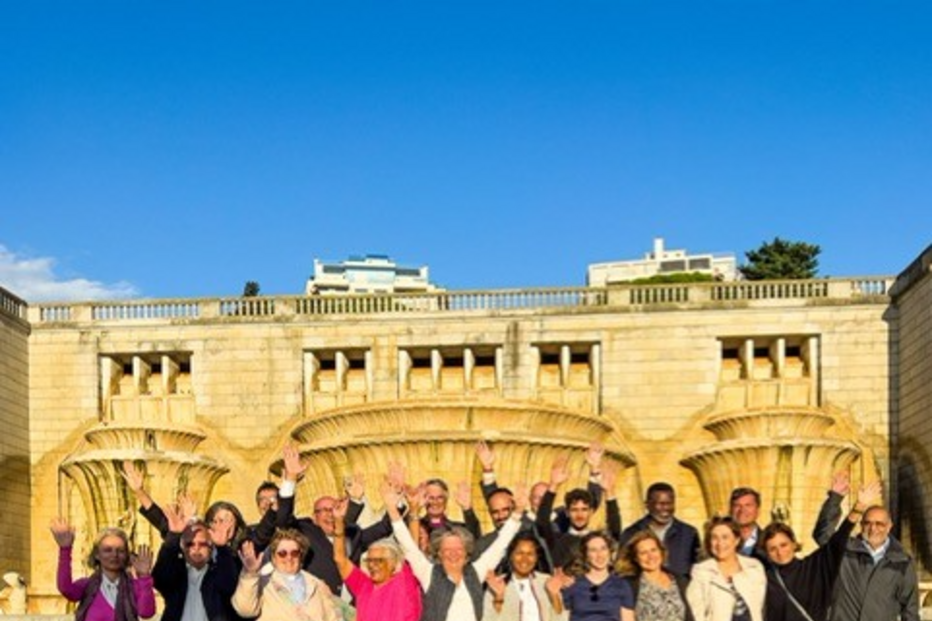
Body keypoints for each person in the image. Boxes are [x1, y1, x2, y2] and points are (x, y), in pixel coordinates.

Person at [390, 469, 528, 621]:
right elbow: (409, 547)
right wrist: (392, 509)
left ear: (466, 553)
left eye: (458, 549)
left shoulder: (476, 572)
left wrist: (518, 512)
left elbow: (500, 544)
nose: (453, 554)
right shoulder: (429, 573)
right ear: (439, 554)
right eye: (447, 550)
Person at [275, 445, 394, 594]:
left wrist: (396, 499)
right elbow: (283, 519)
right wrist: (291, 480)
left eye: (334, 508)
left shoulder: (353, 533)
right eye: (324, 510)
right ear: (314, 517)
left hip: (353, 604)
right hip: (319, 602)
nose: (331, 514)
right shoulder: (305, 532)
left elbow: (385, 527)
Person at [762, 476, 880, 621]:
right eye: (772, 549)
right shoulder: (764, 578)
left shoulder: (814, 567)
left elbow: (837, 540)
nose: (780, 552)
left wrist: (857, 508)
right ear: (766, 552)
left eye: (783, 545)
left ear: (793, 544)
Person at [477, 441, 604, 532]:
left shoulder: (562, 517)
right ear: (530, 499)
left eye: (544, 497)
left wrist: (595, 468)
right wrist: (487, 468)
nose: (541, 501)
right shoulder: (519, 518)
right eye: (536, 497)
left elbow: (591, 502)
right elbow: (495, 500)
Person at [332, 494, 422, 621]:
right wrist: (338, 522)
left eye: (379, 561)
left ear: (394, 564)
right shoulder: (364, 586)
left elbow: (412, 549)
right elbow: (340, 559)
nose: (372, 565)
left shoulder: (404, 581)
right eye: (369, 560)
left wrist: (413, 510)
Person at [828, 502, 920, 621]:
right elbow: (823, 533)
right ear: (861, 525)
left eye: (879, 524)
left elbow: (910, 610)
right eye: (867, 523)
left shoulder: (903, 562)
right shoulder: (845, 551)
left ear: (889, 526)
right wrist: (836, 497)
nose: (873, 528)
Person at [51, 518, 156, 621]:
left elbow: (146, 613)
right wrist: (65, 550)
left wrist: (144, 577)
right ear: (97, 554)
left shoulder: (135, 586)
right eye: (108, 550)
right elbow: (66, 589)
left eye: (120, 550)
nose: (114, 555)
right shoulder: (87, 586)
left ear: (126, 555)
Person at [152, 504, 242, 621]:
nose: (196, 548)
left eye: (202, 544)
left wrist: (222, 548)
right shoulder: (177, 573)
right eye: (190, 544)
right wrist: (173, 536)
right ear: (183, 547)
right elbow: (160, 579)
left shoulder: (218, 570)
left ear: (211, 546)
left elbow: (228, 586)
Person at [232, 529, 341, 621]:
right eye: (282, 553)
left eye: (294, 553)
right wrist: (250, 574)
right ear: (274, 557)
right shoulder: (262, 583)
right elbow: (245, 610)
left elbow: (334, 617)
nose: (289, 557)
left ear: (301, 556)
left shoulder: (317, 585)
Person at [536, 456, 622, 570]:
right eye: (574, 510)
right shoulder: (557, 540)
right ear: (567, 512)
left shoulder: (599, 540)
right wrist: (553, 485)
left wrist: (609, 492)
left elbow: (615, 530)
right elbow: (542, 522)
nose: (579, 515)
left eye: (584, 509)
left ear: (591, 512)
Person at [687, 516, 765, 621]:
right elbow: (696, 614)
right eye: (714, 538)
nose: (720, 543)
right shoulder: (701, 572)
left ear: (736, 540)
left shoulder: (754, 567)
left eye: (725, 537)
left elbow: (761, 607)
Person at [619, 482, 700, 578]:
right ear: (647, 505)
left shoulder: (689, 533)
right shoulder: (631, 533)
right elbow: (622, 569)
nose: (665, 508)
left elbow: (698, 567)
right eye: (660, 504)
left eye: (669, 503)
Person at [484, 532, 566, 621]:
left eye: (530, 554)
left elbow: (561, 619)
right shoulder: (498, 583)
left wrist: (554, 596)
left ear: (536, 557)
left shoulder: (546, 581)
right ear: (511, 555)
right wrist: (499, 597)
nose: (524, 559)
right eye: (519, 553)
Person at [554, 532, 635, 621]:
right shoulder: (572, 583)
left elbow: (628, 618)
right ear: (586, 555)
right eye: (593, 550)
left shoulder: (621, 585)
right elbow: (560, 614)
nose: (599, 555)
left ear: (610, 552)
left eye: (603, 548)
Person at [618, 530, 693, 621]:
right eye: (643, 553)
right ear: (636, 558)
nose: (650, 556)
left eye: (653, 550)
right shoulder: (628, 585)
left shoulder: (680, 581)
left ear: (661, 551)